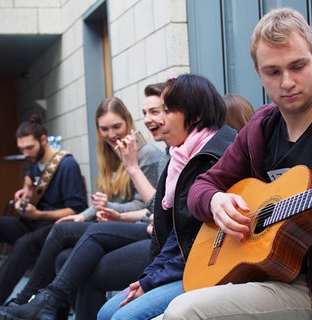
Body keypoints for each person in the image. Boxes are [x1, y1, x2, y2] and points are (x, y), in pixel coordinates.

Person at [162, 7, 312, 320]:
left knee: (184, 312)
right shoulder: (261, 129)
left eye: (298, 66)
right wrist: (215, 201)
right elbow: (200, 186)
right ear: (259, 74)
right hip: (262, 274)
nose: (288, 81)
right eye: (273, 72)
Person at [0, 94, 168, 319]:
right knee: (63, 255)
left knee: (60, 232)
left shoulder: (146, 154)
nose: (111, 134)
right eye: (104, 129)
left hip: (139, 228)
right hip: (121, 224)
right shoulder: (112, 154)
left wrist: (108, 207)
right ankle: (44, 307)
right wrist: (83, 216)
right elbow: (108, 201)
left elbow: (147, 206)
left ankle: (30, 300)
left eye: (116, 126)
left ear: (128, 122)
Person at [95, 74, 237, 320]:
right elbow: (175, 233)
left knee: (120, 317)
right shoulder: (181, 156)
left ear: (195, 116)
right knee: (106, 311)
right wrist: (149, 278)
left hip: (210, 267)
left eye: (166, 111)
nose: (158, 121)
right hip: (179, 264)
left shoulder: (211, 157)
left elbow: (193, 240)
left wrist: (151, 281)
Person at [0, 115, 88, 320]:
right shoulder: (34, 162)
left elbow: (76, 210)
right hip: (33, 221)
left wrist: (39, 213)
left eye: (29, 148)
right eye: (21, 149)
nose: (25, 153)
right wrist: (25, 191)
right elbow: (32, 182)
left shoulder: (66, 165)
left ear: (43, 140)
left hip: (54, 226)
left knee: (24, 243)